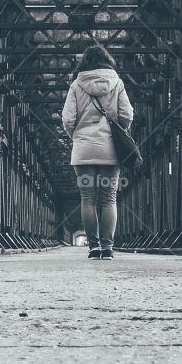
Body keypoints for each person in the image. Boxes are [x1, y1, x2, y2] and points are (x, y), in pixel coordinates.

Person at [61, 44, 134, 260]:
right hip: (110, 149)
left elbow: (67, 118)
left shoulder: (76, 85)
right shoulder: (117, 83)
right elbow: (127, 114)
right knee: (109, 198)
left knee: (88, 198)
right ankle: (108, 248)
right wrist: (120, 131)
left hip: (83, 150)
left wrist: (77, 136)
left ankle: (93, 248)